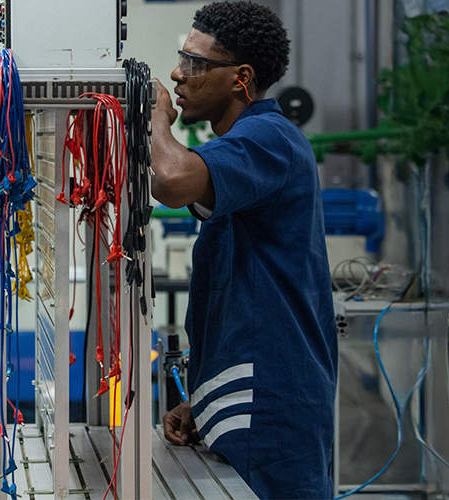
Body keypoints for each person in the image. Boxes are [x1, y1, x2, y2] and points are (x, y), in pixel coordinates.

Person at [147, 2, 337, 499]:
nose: (178, 73)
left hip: (273, 410)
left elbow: (170, 181)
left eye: (195, 63)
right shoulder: (243, 150)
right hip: (251, 401)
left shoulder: (270, 139)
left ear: (241, 78)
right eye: (180, 58)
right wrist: (204, 400)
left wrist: (153, 119)